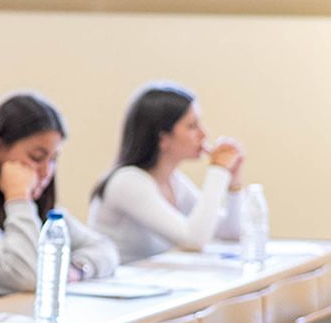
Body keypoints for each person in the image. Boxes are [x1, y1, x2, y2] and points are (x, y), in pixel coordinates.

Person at [0, 93, 119, 294]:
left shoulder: (35, 205)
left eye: (53, 160)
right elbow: (25, 276)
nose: (46, 172)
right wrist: (18, 196)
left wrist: (76, 270)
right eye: (36, 157)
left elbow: (105, 249)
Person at [89, 83, 246, 262]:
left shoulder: (174, 181)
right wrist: (218, 170)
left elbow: (232, 232)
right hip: (116, 287)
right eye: (192, 126)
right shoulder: (127, 181)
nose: (204, 134)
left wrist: (233, 182)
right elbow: (193, 240)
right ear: (163, 138)